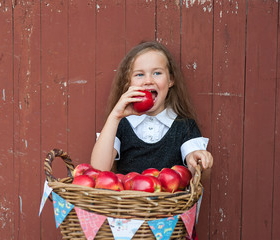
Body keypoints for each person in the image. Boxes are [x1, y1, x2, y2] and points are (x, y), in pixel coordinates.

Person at [91, 41, 213, 175]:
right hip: (130, 195)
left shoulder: (185, 126)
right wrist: (115, 116)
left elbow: (198, 173)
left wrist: (197, 159)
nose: (148, 80)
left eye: (157, 73)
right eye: (139, 74)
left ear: (171, 80)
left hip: (169, 195)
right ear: (129, 83)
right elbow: (98, 169)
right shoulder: (122, 124)